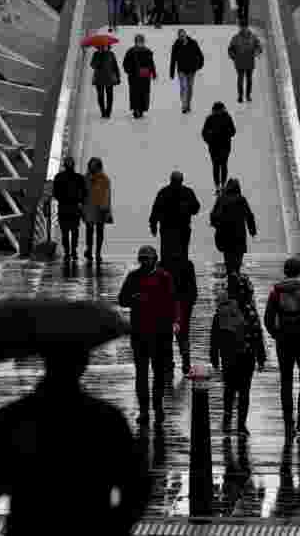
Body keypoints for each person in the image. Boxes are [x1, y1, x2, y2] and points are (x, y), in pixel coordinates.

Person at [0, 349, 152, 535]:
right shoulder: (107, 419)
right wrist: (114, 525)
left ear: (45, 359)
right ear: (84, 363)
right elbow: (137, 486)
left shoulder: (14, 417)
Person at [118, 246, 180, 426]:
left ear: (155, 259)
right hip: (139, 333)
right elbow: (122, 299)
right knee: (141, 373)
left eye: (147, 258)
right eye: (142, 259)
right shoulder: (133, 277)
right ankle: (144, 410)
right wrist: (134, 298)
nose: (144, 262)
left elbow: (173, 300)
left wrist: (176, 322)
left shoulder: (164, 277)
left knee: (159, 372)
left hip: (161, 333)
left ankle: (158, 406)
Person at [263, 257, 300, 436]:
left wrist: (276, 334)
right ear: (299, 271)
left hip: (284, 341)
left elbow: (268, 319)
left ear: (285, 271)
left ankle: (288, 423)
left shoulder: (276, 292)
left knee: (286, 382)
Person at [210, 274, 266, 435]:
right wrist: (261, 357)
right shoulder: (250, 311)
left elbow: (215, 336)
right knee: (243, 390)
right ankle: (240, 424)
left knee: (230, 388)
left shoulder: (223, 311)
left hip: (230, 356)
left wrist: (214, 355)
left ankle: (230, 419)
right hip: (245, 356)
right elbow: (257, 335)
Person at [149, 170, 201, 261]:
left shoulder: (163, 192)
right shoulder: (188, 192)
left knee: (167, 253)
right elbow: (196, 209)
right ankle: (180, 271)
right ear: (182, 180)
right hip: (181, 228)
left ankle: (167, 271)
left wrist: (153, 226)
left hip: (169, 229)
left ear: (171, 180)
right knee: (182, 253)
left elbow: (155, 211)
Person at [210, 178, 257, 274]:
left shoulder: (221, 199)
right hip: (239, 234)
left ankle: (231, 275)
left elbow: (213, 214)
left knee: (228, 257)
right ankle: (236, 273)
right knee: (238, 258)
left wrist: (216, 226)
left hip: (225, 234)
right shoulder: (241, 199)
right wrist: (252, 231)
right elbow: (249, 216)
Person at [160, 252, 197, 375]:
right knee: (183, 333)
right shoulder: (187, 264)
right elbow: (193, 288)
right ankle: (185, 361)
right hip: (183, 303)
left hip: (168, 303)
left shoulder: (162, 264)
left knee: (167, 335)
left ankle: (169, 363)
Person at [52, 156, 88, 261]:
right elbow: (85, 193)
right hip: (75, 208)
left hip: (63, 207)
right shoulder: (79, 178)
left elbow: (56, 193)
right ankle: (74, 250)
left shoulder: (58, 177)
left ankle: (67, 252)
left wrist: (63, 199)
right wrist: (80, 201)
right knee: (74, 230)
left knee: (64, 231)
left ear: (64, 165)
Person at [201, 102, 237, 195]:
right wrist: (226, 135)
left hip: (214, 147)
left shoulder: (210, 118)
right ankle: (223, 185)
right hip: (225, 146)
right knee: (223, 165)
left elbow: (204, 133)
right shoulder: (227, 117)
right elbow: (233, 131)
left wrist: (209, 140)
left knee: (216, 166)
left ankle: (217, 186)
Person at [82, 157, 112, 264]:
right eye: (91, 165)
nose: (93, 168)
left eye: (95, 165)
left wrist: (107, 209)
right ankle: (90, 250)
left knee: (99, 231)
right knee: (90, 231)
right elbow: (82, 193)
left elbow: (107, 195)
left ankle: (97, 253)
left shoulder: (104, 179)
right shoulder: (85, 178)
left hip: (100, 208)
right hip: (89, 207)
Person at [169, 29, 205, 114]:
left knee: (189, 87)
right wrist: (172, 72)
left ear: (186, 35)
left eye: (183, 35)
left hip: (192, 69)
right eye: (180, 36)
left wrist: (199, 65)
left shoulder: (193, 43)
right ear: (178, 36)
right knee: (183, 87)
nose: (182, 37)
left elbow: (200, 55)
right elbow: (173, 59)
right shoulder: (176, 45)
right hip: (181, 69)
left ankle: (188, 104)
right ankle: (184, 105)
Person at [122, 34, 157, 119]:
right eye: (138, 41)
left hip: (145, 76)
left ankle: (141, 109)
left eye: (141, 41)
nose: (140, 43)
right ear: (135, 42)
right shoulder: (130, 51)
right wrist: (130, 71)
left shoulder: (147, 51)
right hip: (134, 77)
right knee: (135, 93)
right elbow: (125, 63)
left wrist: (153, 73)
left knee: (144, 93)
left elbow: (151, 63)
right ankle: (136, 110)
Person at [227, 24, 263, 103]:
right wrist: (233, 56)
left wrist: (256, 52)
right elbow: (230, 48)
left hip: (250, 61)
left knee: (249, 79)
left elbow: (259, 47)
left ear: (247, 28)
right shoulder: (236, 38)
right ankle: (240, 96)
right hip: (239, 62)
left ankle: (248, 95)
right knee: (240, 79)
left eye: (245, 27)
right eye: (242, 27)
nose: (243, 29)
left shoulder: (253, 37)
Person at [90, 43, 121, 119]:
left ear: (108, 46)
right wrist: (99, 56)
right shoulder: (96, 54)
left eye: (106, 46)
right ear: (99, 46)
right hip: (99, 78)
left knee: (109, 96)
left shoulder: (111, 54)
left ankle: (108, 112)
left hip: (109, 78)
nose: (104, 47)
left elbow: (115, 66)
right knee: (100, 96)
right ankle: (103, 112)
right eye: (102, 46)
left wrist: (117, 76)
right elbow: (93, 65)